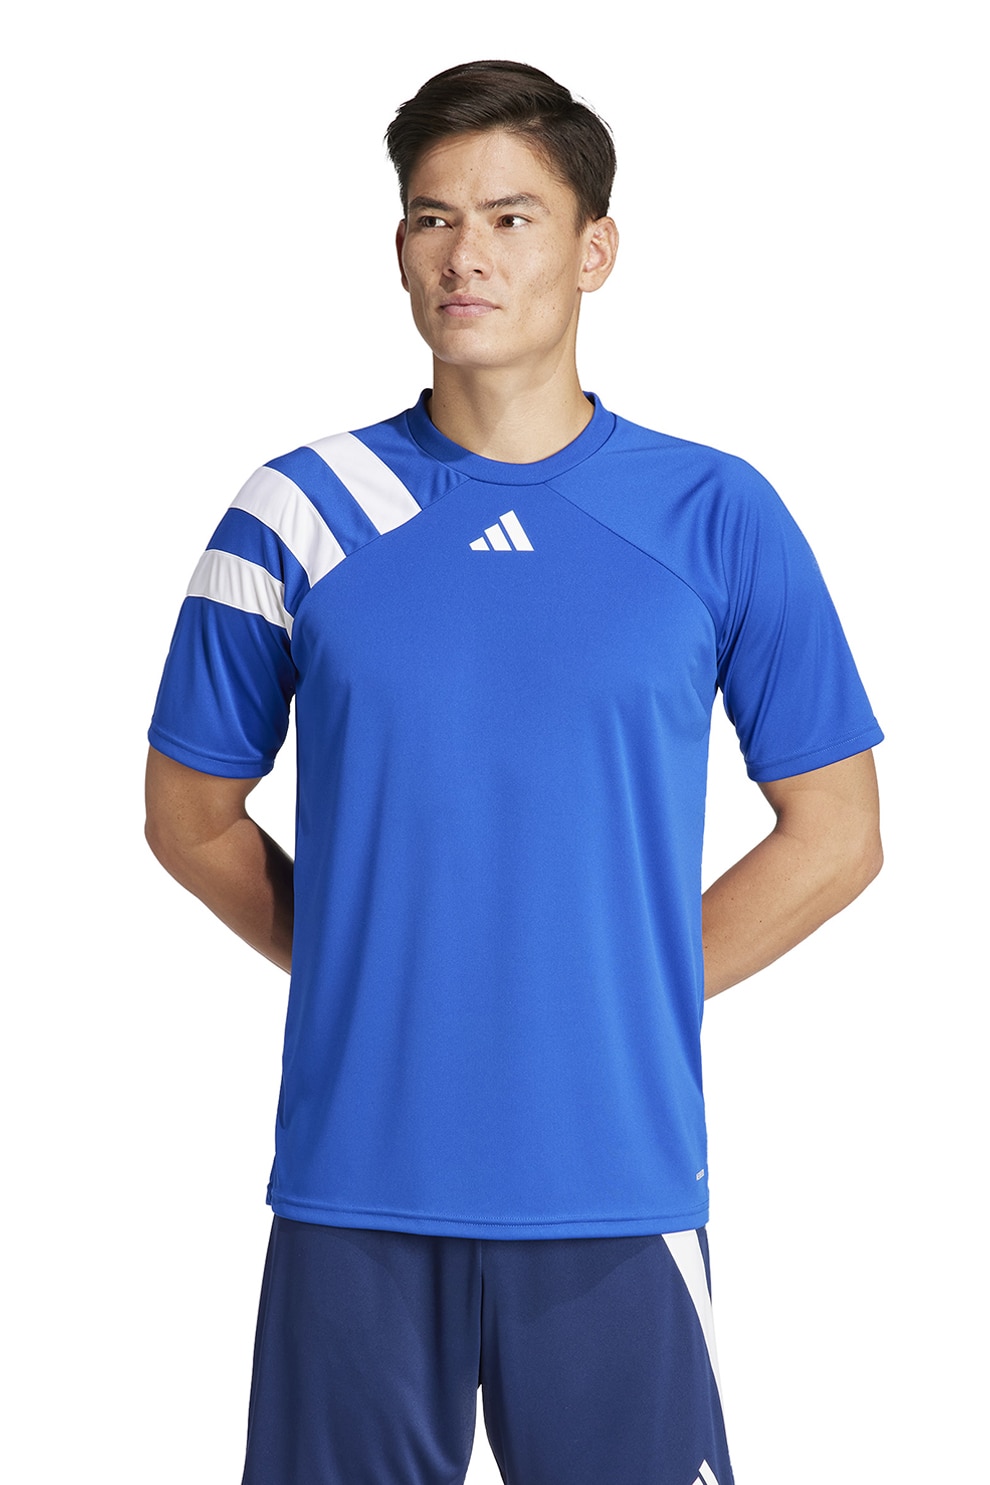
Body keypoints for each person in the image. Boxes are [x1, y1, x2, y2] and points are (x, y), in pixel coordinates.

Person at [145, 59, 883, 1485]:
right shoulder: (297, 510)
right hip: (356, 1181)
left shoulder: (713, 511)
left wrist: (622, 987)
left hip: (613, 1182)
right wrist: (373, 966)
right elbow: (188, 817)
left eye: (509, 217)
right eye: (432, 219)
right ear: (398, 249)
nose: (464, 255)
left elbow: (838, 831)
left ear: (594, 249)